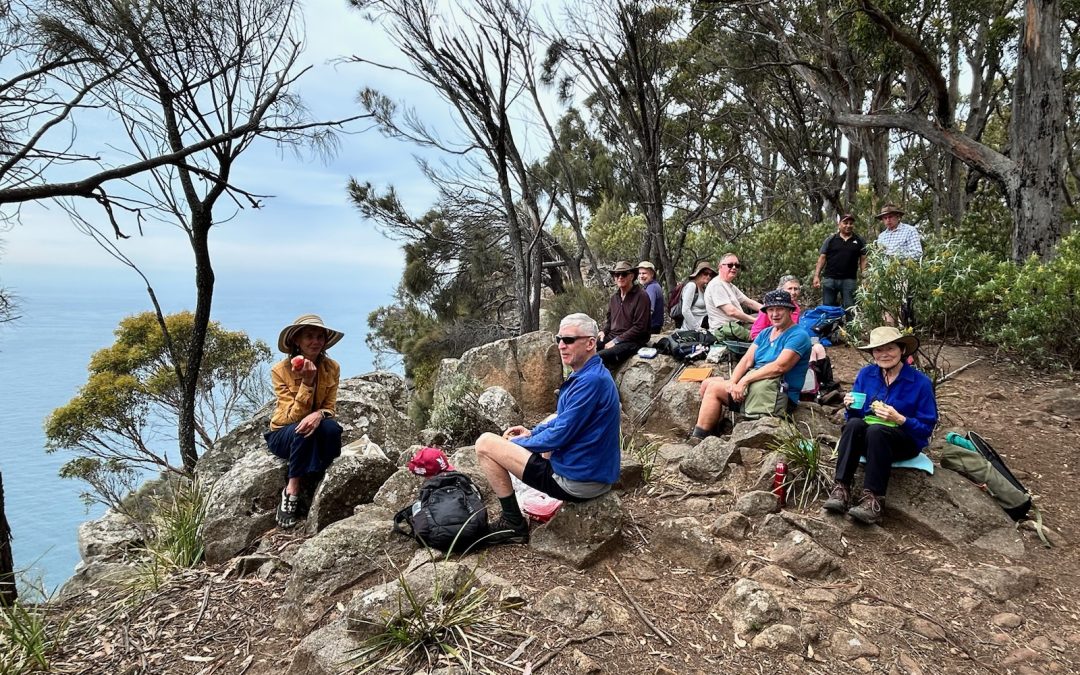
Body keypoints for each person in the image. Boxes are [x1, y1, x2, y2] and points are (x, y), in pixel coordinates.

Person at [474, 313, 621, 545]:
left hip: (578, 482)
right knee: (548, 422)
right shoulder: (592, 374)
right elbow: (563, 420)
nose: (561, 345)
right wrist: (532, 432)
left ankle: (513, 523)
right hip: (593, 475)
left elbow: (560, 435)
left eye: (569, 340)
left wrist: (511, 446)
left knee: (485, 444)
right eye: (559, 338)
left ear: (590, 343)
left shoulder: (590, 382)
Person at [823, 326, 937, 525]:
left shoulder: (920, 383)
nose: (884, 354)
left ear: (902, 350)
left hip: (903, 441)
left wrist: (900, 419)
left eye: (890, 348)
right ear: (872, 353)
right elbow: (856, 417)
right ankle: (841, 489)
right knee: (854, 425)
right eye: (878, 350)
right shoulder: (867, 375)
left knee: (877, 430)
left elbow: (926, 428)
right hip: (871, 441)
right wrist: (850, 407)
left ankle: (873, 500)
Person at [690, 290, 811, 440]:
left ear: (789, 310)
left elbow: (779, 367)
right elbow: (747, 360)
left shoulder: (798, 335)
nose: (775, 314)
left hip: (779, 395)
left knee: (714, 389)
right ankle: (714, 431)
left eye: (780, 309)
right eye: (771, 310)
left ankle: (699, 438)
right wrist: (733, 382)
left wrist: (744, 381)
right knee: (707, 383)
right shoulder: (766, 333)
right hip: (757, 384)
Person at [265, 314, 345, 530]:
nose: (316, 341)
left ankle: (318, 474)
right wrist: (307, 382)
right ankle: (292, 488)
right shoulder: (280, 371)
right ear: (296, 341)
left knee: (331, 429)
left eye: (320, 336)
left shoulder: (331, 368)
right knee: (303, 429)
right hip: (283, 433)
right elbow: (292, 417)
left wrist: (319, 414)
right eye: (309, 336)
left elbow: (330, 408)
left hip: (315, 426)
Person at [597, 260, 651, 370]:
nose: (620, 277)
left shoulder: (641, 296)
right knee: (586, 350)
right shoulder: (614, 298)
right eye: (617, 274)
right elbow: (610, 321)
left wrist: (616, 341)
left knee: (600, 357)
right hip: (612, 336)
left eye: (624, 274)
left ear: (631, 276)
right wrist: (604, 331)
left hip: (633, 341)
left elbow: (640, 327)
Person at [812, 213, 867, 309]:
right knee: (828, 308)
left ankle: (849, 324)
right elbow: (822, 258)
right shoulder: (831, 240)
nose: (848, 225)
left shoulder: (859, 241)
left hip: (849, 280)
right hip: (830, 279)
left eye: (851, 223)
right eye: (845, 223)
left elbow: (863, 260)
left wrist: (865, 277)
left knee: (850, 308)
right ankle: (830, 324)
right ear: (839, 224)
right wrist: (816, 276)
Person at [704, 253, 761, 341]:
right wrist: (755, 320)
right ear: (720, 267)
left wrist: (769, 309)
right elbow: (731, 311)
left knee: (766, 319)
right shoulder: (716, 285)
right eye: (730, 265)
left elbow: (749, 302)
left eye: (737, 265)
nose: (734, 268)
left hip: (737, 325)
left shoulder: (729, 285)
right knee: (764, 333)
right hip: (726, 329)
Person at [679, 260, 716, 331]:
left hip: (705, 326)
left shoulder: (704, 289)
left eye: (710, 275)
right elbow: (685, 310)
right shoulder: (691, 286)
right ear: (698, 273)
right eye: (705, 273)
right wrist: (697, 328)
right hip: (692, 330)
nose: (708, 276)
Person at [637, 261, 665, 334]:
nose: (641, 276)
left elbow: (649, 311)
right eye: (640, 273)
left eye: (644, 273)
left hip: (651, 328)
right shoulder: (652, 286)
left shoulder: (651, 288)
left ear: (652, 274)